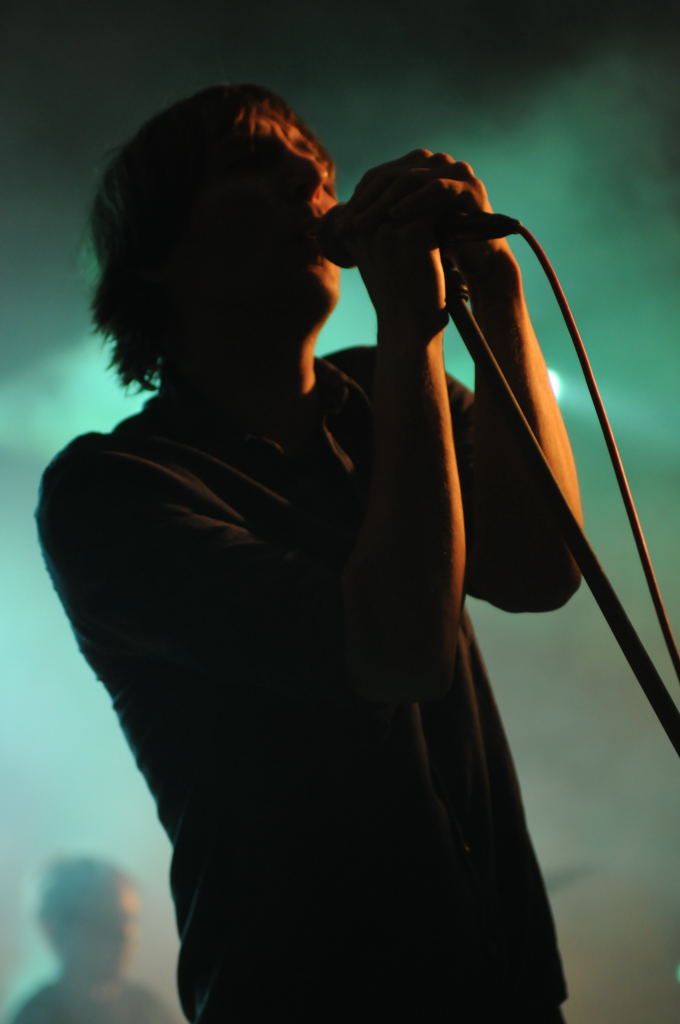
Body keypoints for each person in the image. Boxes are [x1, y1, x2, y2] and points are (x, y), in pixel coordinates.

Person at [35, 83, 583, 1022]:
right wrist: (410, 332)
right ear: (161, 253)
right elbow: (396, 654)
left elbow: (541, 572)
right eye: (255, 163)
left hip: (505, 987)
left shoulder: (384, 395)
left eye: (317, 167)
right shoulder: (113, 490)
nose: (310, 178)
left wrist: (496, 292)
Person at [6, 857, 178, 1024]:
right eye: (106, 919)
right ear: (55, 930)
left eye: (129, 920)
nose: (125, 935)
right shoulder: (37, 1016)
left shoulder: (149, 1009)